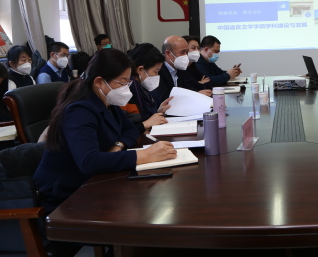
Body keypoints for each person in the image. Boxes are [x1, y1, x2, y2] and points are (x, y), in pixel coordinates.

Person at [33, 49, 177, 214]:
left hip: (94, 181)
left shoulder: (106, 102)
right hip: (65, 196)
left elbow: (130, 129)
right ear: (99, 81)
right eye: (122, 82)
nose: (126, 88)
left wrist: (118, 146)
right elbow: (89, 162)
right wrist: (144, 155)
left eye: (128, 82)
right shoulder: (79, 110)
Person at [122, 43, 172, 134]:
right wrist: (146, 123)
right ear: (140, 70)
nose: (157, 76)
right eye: (156, 71)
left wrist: (158, 112)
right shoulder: (124, 93)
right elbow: (122, 130)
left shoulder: (141, 90)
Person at [151, 36, 211, 106]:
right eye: (182, 52)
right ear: (168, 54)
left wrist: (197, 93)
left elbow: (191, 89)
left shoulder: (181, 70)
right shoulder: (158, 71)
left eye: (187, 52)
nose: (186, 55)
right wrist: (195, 95)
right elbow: (164, 99)